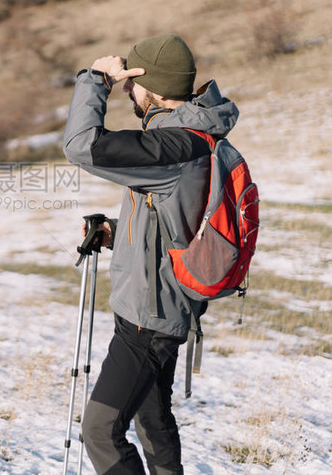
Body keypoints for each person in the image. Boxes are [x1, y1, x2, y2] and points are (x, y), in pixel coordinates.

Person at [62, 34, 240, 475]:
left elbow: (81, 145)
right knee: (152, 418)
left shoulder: (174, 147)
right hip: (159, 301)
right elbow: (174, 225)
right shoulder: (188, 137)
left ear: (155, 89)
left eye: (132, 84)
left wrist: (96, 80)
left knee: (100, 431)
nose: (126, 90)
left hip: (150, 315)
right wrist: (114, 233)